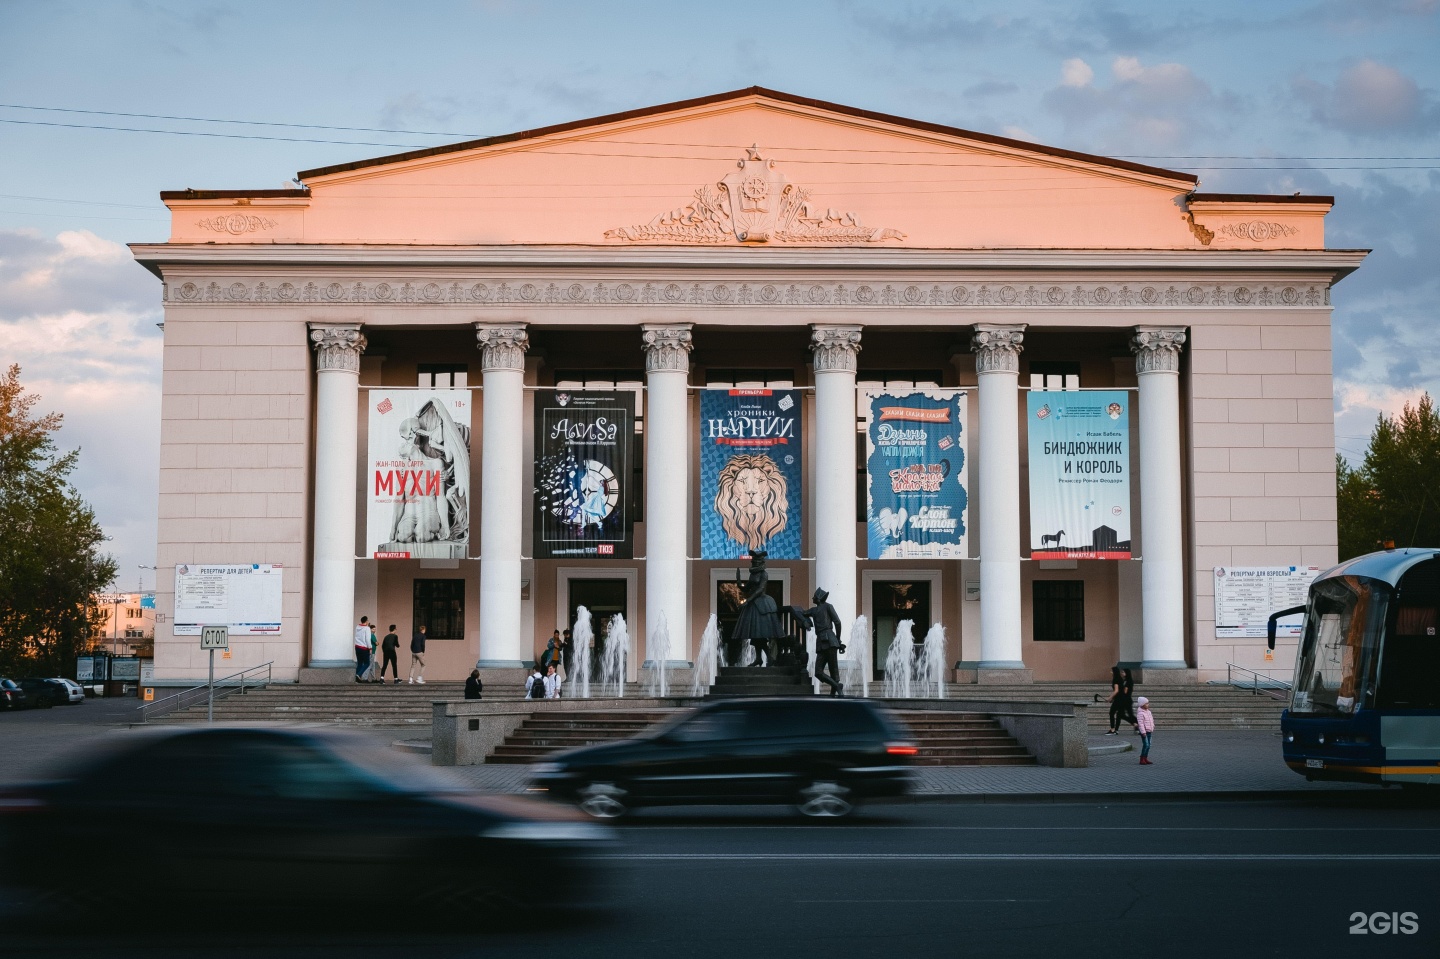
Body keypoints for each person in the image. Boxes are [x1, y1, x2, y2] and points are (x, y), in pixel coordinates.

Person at [732, 550, 783, 666]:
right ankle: (760, 658)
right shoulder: (753, 574)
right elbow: (748, 588)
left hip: (762, 604)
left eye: (756, 561)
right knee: (755, 634)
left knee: (760, 633)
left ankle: (768, 657)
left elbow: (760, 590)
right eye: (753, 561)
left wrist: (748, 600)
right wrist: (739, 583)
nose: (753, 563)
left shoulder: (764, 574)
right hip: (754, 605)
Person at [808, 587, 845, 697]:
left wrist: (838, 640)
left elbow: (837, 622)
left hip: (830, 640)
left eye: (814, 596)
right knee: (818, 672)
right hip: (822, 641)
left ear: (818, 598)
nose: (812, 598)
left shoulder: (828, 606)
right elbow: (803, 613)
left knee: (834, 670)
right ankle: (837, 686)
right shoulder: (814, 610)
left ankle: (833, 694)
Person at [1136, 696, 1156, 764]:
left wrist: (1152, 726)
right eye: (1146, 703)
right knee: (1146, 745)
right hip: (1144, 732)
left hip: (1149, 731)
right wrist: (1143, 732)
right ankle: (1142, 759)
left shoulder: (1149, 712)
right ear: (1142, 704)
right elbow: (1140, 724)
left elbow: (1151, 720)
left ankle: (1145, 758)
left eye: (1148, 703)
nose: (1148, 705)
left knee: (1149, 745)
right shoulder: (1140, 713)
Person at [353, 616, 372, 683]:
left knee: (360, 663)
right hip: (364, 648)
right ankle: (358, 674)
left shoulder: (357, 627)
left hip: (357, 647)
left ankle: (356, 680)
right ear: (366, 621)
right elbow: (367, 639)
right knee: (367, 663)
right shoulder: (367, 628)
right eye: (368, 620)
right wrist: (370, 647)